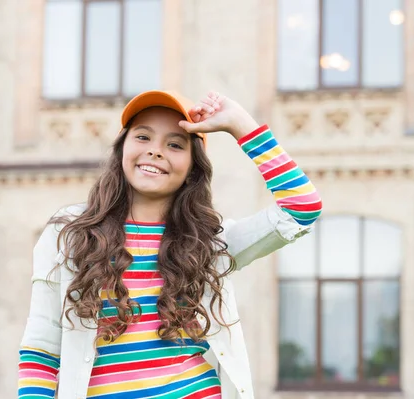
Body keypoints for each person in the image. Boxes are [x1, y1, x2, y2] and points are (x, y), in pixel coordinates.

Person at [18, 90, 322, 399]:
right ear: (122, 148)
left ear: (193, 167)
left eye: (175, 144)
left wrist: (240, 125)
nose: (155, 151)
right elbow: (41, 349)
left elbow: (301, 209)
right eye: (143, 137)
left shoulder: (211, 244)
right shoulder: (72, 232)